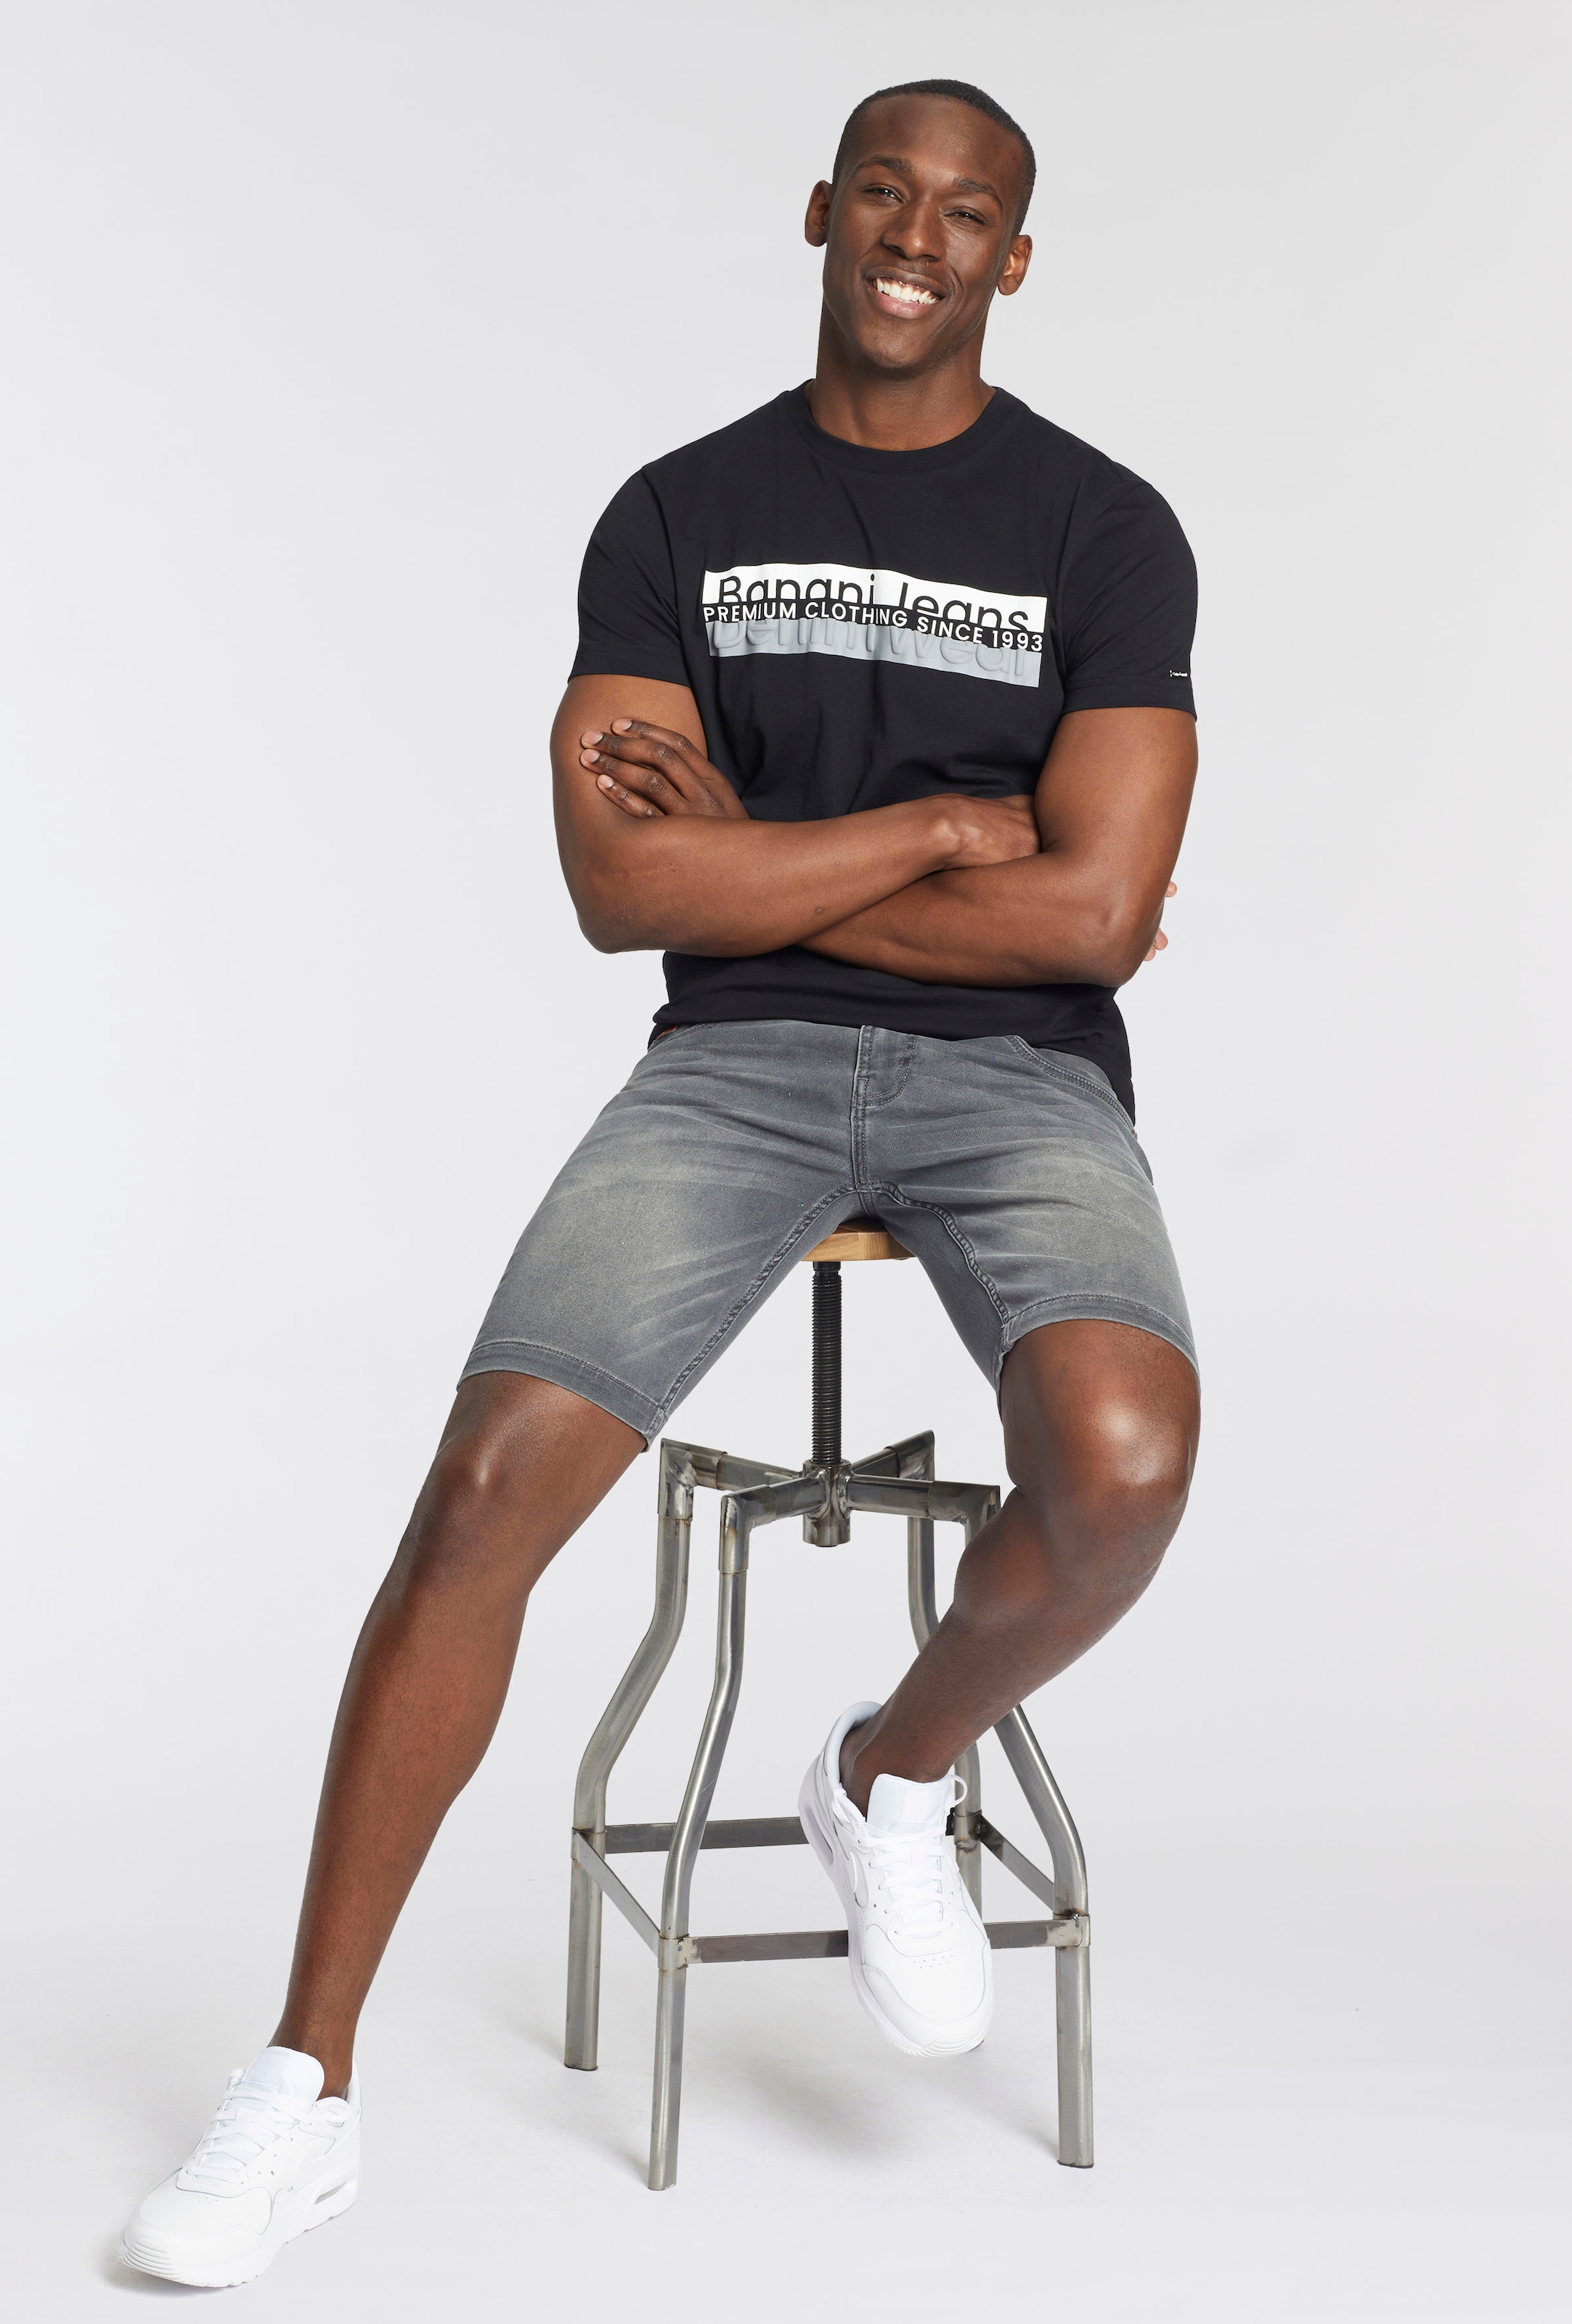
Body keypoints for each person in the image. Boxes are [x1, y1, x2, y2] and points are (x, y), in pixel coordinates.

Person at [121, 77, 1201, 2286]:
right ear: (822, 211)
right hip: (739, 1067)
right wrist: (940, 834)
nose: (916, 237)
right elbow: (626, 891)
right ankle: (303, 2088)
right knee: (487, 1481)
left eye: (966, 213)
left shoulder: (1105, 530)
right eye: (883, 193)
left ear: (1015, 259)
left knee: (1126, 1460)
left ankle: (893, 1772)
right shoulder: (678, 512)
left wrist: (763, 863)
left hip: (1022, 1081)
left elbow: (1094, 920)